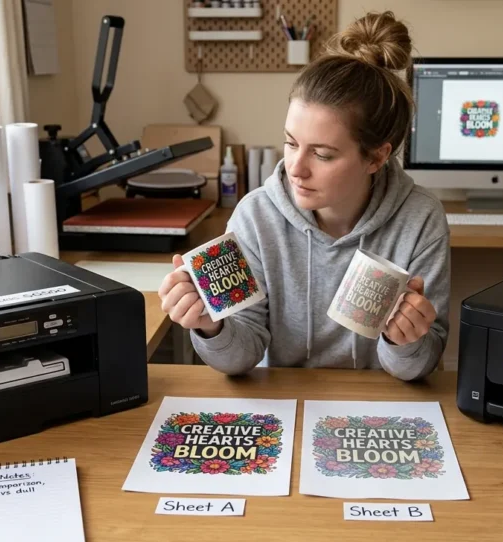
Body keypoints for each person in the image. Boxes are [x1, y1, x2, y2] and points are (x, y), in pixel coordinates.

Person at [158, 11, 450, 381]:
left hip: (376, 409)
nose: (295, 168)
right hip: (281, 405)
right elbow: (239, 356)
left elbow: (420, 365)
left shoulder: (421, 219)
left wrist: (404, 343)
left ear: (376, 156)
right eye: (290, 143)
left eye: (323, 154)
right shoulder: (255, 216)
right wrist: (209, 327)